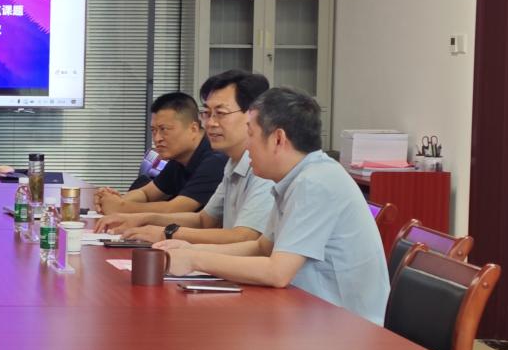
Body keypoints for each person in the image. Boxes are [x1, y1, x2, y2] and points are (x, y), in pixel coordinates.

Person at [156, 87, 389, 325]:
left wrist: (195, 260)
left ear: (278, 139)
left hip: (344, 325)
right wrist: (190, 250)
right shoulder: (295, 177)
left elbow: (277, 272)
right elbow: (261, 247)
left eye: (251, 134)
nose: (247, 146)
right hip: (307, 312)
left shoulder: (315, 182)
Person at [97, 70, 273, 244]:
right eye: (207, 113)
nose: (210, 123)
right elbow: (203, 220)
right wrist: (142, 219)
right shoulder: (233, 163)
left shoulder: (264, 169)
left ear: (253, 115)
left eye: (220, 113)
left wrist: (165, 234)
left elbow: (244, 237)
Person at [93, 92, 227, 216]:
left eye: (164, 129)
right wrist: (115, 200)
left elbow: (175, 209)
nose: (157, 139)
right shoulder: (180, 158)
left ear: (193, 129)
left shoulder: (215, 160)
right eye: (154, 130)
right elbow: (146, 193)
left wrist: (121, 207)